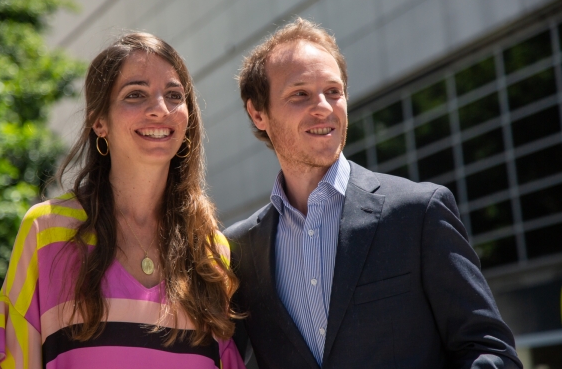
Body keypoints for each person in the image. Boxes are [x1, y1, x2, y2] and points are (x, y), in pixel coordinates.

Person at [224, 18, 522, 369]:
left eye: (334, 91)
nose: (324, 106)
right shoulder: (241, 249)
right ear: (258, 113)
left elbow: (489, 351)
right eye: (300, 94)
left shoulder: (417, 212)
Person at [0, 33, 245, 369]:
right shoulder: (46, 233)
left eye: (174, 95)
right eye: (135, 94)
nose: (160, 109)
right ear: (99, 121)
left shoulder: (209, 250)